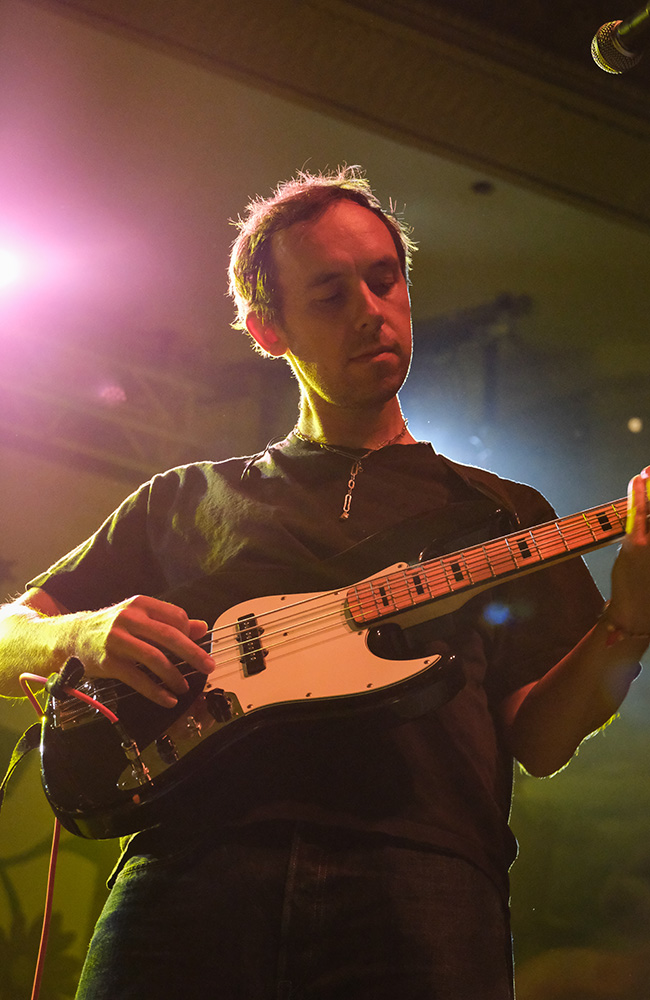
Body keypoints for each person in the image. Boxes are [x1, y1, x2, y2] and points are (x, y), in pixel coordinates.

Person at [1, 167, 649, 1000]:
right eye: (331, 295)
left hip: (424, 884)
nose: (372, 311)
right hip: (190, 871)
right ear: (266, 328)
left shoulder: (503, 513)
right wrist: (75, 634)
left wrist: (628, 623)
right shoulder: (184, 498)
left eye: (385, 281)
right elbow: (12, 627)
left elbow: (542, 739)